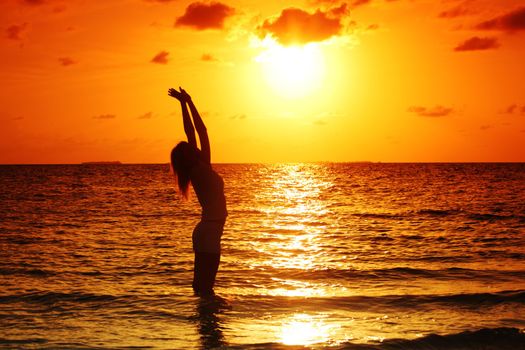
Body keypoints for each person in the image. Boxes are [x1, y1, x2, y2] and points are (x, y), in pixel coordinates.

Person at [168, 87, 227, 297]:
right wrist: (188, 102)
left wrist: (184, 103)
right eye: (189, 148)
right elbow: (199, 131)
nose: (193, 146)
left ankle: (202, 323)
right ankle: (207, 325)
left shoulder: (198, 169)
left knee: (201, 287)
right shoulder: (201, 168)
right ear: (189, 156)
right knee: (206, 288)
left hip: (207, 230)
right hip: (210, 230)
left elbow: (193, 132)